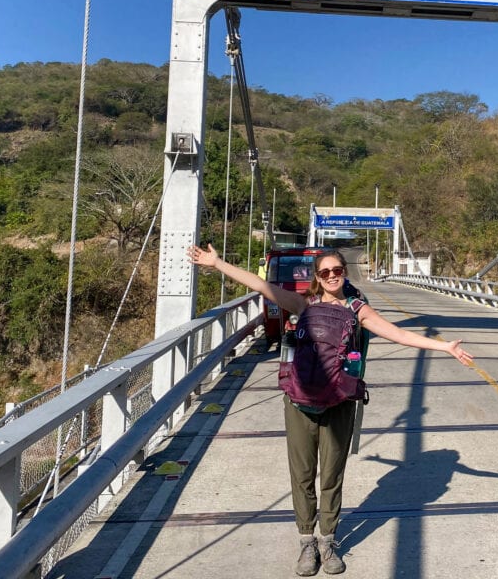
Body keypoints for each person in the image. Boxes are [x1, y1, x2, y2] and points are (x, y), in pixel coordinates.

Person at [188, 243, 473, 576]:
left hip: (339, 401)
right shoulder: (303, 304)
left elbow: (396, 334)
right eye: (325, 273)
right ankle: (306, 542)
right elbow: (261, 285)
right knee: (303, 474)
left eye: (337, 271)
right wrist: (218, 262)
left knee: (332, 475)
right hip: (299, 400)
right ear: (317, 278)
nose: (332, 276)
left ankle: (328, 541)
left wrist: (444, 346)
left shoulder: (357, 309)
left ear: (344, 273)